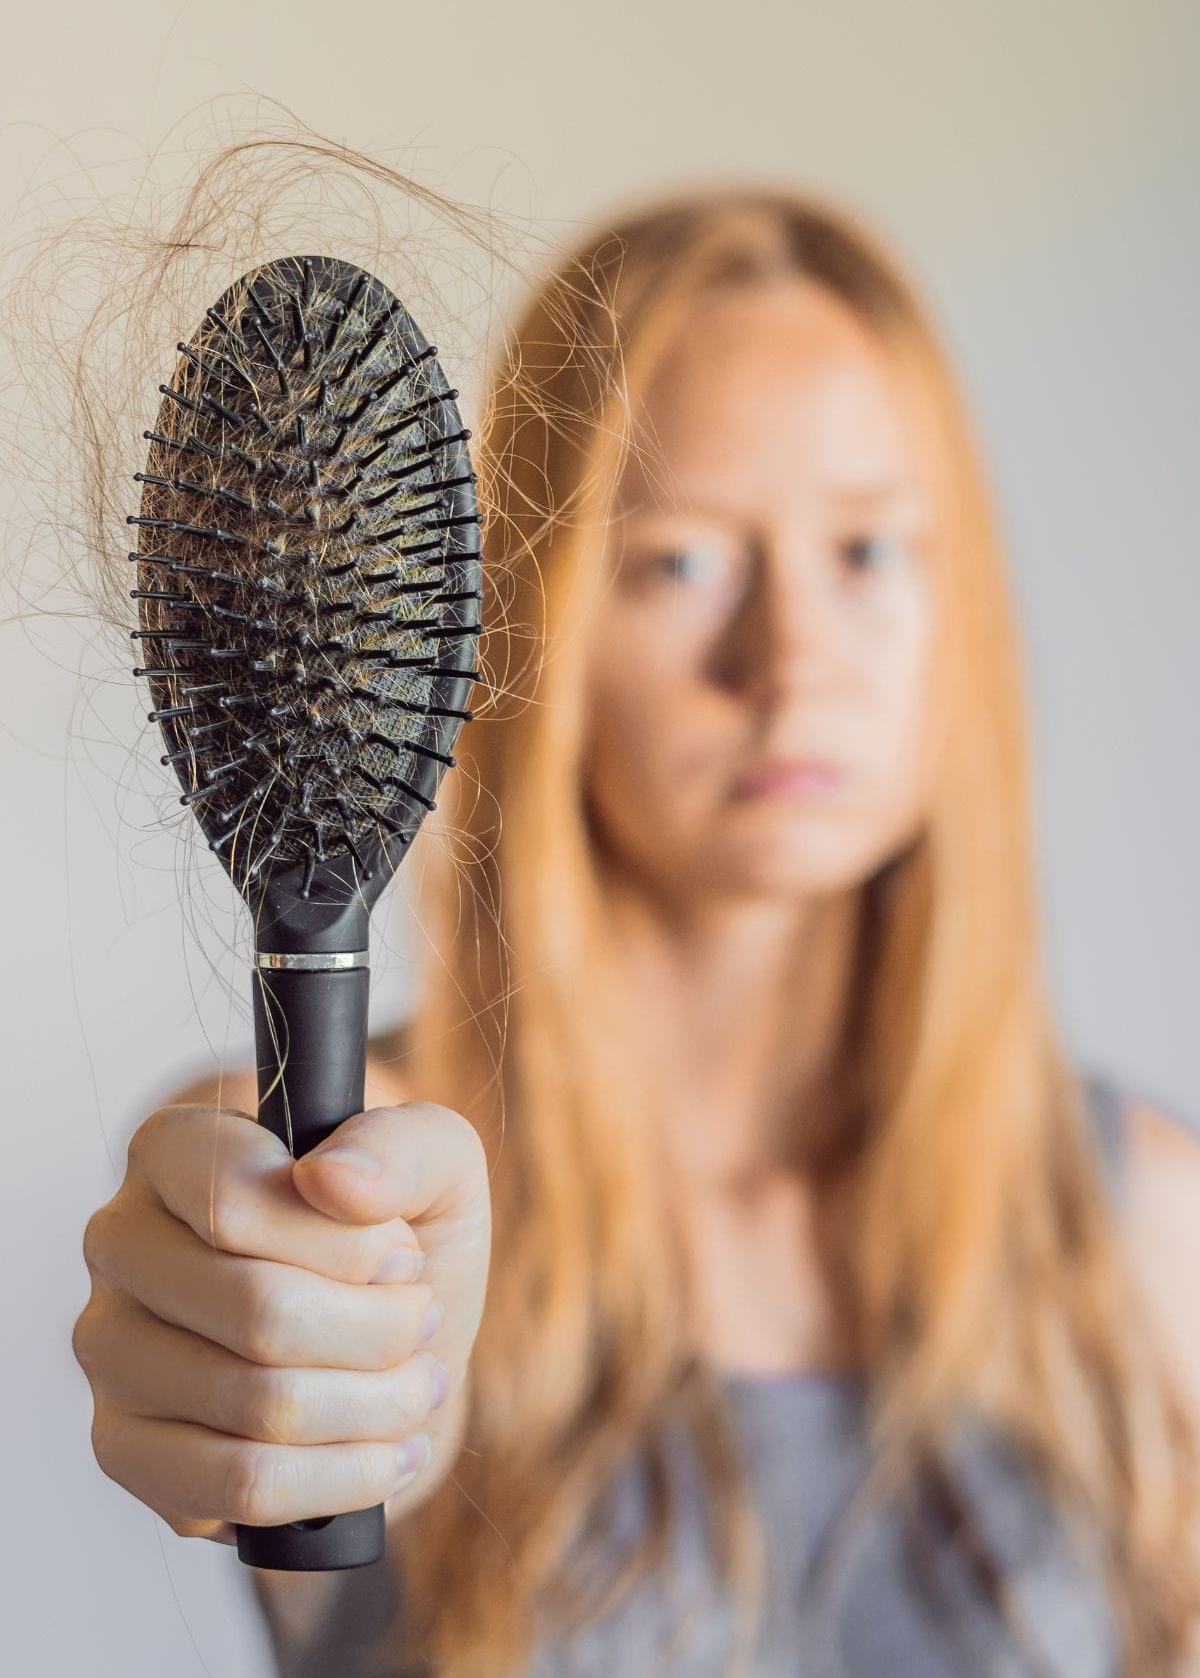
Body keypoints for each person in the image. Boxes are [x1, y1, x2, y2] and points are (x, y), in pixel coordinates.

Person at [72, 186, 1200, 1678]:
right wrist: (279, 1361)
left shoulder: (1148, 1229)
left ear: (961, 604)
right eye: (681, 561)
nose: (790, 662)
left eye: (868, 551)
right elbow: (308, 1385)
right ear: (529, 623)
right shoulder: (337, 1177)